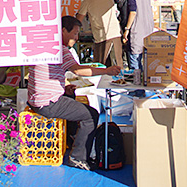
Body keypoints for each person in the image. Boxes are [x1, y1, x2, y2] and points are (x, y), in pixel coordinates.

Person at [28, 16, 121, 170]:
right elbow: (77, 70)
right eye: (75, 33)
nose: (77, 38)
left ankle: (72, 141)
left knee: (71, 95)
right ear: (63, 30)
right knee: (91, 115)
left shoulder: (45, 45)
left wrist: (63, 89)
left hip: (36, 98)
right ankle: (77, 157)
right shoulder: (60, 49)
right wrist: (107, 70)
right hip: (47, 103)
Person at [76, 0, 124, 67]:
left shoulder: (87, 1)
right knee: (118, 65)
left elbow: (79, 19)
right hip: (115, 34)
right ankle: (120, 80)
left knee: (99, 66)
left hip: (101, 36)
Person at [122, 0, 154, 70]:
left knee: (135, 61)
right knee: (145, 62)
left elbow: (133, 12)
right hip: (147, 31)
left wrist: (126, 29)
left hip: (137, 31)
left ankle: (136, 81)